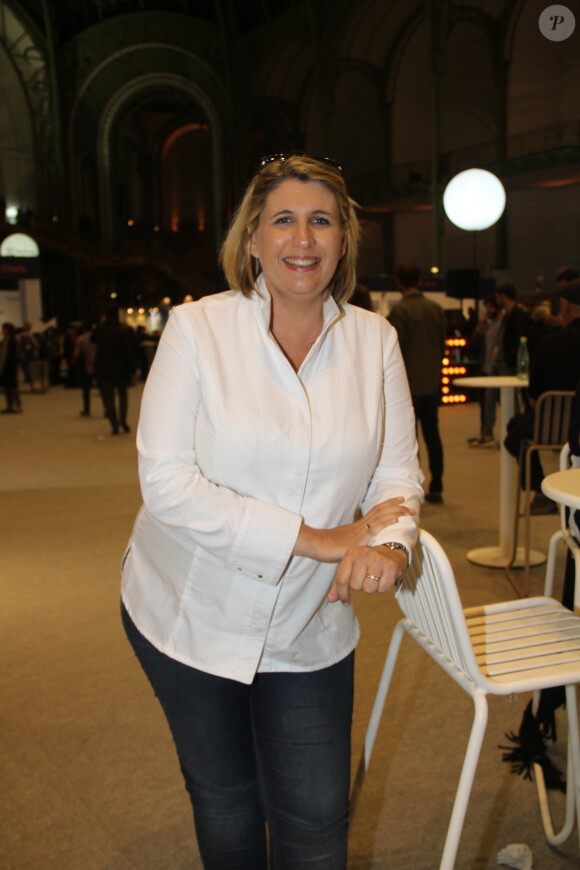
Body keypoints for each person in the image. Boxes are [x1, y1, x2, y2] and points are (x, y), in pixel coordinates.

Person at [120, 153, 423, 869]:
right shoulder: (198, 330)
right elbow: (165, 482)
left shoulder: (374, 340)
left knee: (317, 822)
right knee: (226, 802)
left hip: (308, 622)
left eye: (321, 221)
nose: (303, 239)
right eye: (283, 220)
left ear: (344, 239)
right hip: (189, 617)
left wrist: (392, 546)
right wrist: (321, 541)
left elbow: (398, 472)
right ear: (252, 238)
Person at [504, 279, 580, 514]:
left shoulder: (549, 344)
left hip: (549, 429)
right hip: (576, 435)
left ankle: (539, 491)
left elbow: (534, 398)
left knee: (516, 429)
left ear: (565, 306)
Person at [388, 261, 446, 504]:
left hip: (407, 387)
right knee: (433, 435)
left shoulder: (399, 313)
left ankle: (415, 489)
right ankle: (438, 485)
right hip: (432, 382)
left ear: (399, 282)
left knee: (409, 441)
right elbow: (442, 345)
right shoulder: (436, 309)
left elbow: (394, 352)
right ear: (420, 280)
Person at [91, 305, 136, 434]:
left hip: (103, 368)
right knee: (122, 395)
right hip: (121, 367)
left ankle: (114, 424)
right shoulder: (123, 330)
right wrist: (132, 369)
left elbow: (92, 339)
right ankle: (123, 420)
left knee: (108, 397)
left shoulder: (100, 329)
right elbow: (129, 351)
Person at [467, 295, 503, 447]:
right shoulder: (487, 326)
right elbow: (473, 345)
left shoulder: (502, 325)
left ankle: (498, 432)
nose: (488, 310)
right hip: (485, 368)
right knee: (484, 403)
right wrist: (478, 328)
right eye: (487, 307)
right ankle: (485, 432)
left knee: (503, 402)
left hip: (499, 370)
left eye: (491, 307)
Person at [494, 282, 531, 374]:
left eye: (497, 296)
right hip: (503, 361)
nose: (496, 300)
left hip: (509, 364)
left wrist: (508, 359)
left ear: (502, 296)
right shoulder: (508, 315)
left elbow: (520, 340)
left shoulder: (517, 316)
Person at [74, 322, 97, 416]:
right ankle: (106, 409)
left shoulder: (81, 339)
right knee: (104, 390)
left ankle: (87, 409)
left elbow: (76, 353)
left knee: (86, 390)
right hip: (99, 365)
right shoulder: (98, 338)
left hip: (86, 365)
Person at [0, 322, 22, 413]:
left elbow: (13, 355)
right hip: (4, 367)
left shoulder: (12, 340)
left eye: (4, 329)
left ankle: (18, 405)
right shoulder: (4, 340)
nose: (2, 331)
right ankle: (9, 405)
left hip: (11, 367)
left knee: (13, 387)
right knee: (7, 387)